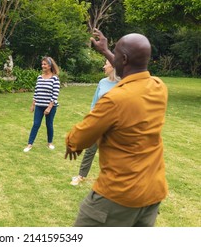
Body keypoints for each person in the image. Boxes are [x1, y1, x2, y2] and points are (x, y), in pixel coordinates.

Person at [65, 28, 168, 226]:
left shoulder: (114, 100)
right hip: (152, 192)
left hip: (119, 195)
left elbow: (80, 138)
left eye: (116, 53)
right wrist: (105, 51)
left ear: (124, 59)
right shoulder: (158, 87)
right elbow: (133, 73)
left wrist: (71, 143)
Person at [70, 60, 120, 186]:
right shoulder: (102, 82)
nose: (104, 66)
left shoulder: (122, 83)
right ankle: (81, 176)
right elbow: (94, 102)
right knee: (90, 150)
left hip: (114, 125)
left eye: (106, 64)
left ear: (113, 66)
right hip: (98, 123)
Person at [24, 56, 60, 152]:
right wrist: (33, 105)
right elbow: (36, 92)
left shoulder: (55, 78)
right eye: (42, 64)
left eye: (45, 64)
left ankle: (50, 143)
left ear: (50, 66)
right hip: (39, 106)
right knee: (36, 124)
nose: (42, 66)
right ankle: (29, 144)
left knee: (49, 124)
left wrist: (49, 107)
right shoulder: (39, 77)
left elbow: (55, 94)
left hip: (50, 107)